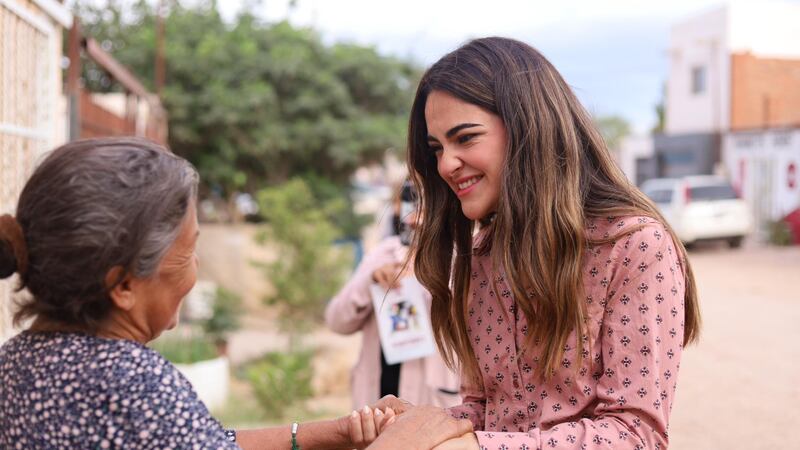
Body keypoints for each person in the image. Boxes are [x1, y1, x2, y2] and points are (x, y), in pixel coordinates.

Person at [0, 137, 472, 450]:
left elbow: (202, 441)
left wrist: (335, 432)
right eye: (188, 253)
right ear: (123, 285)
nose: (195, 273)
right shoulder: (133, 384)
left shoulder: (15, 362)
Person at [378, 37, 702, 449]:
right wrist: (423, 424)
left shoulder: (635, 246)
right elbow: (490, 410)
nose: (445, 165)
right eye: (437, 148)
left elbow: (635, 433)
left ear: (528, 128)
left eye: (465, 138)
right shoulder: (482, 256)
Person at [325, 181, 461, 410]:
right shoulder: (382, 253)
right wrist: (371, 281)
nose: (418, 211)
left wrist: (425, 278)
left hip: (432, 403)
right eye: (411, 198)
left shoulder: (460, 258)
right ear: (397, 206)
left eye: (430, 202)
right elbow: (337, 321)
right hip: (377, 397)